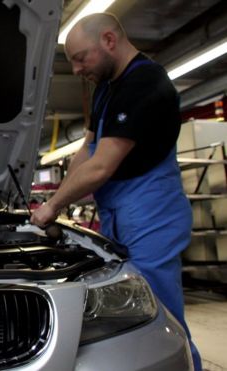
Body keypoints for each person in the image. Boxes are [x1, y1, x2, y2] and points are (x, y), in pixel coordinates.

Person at [30, 13, 202, 370]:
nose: (76, 70)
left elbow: (101, 166)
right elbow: (87, 150)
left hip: (151, 213)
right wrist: (55, 202)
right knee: (131, 316)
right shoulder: (107, 88)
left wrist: (54, 205)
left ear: (109, 40)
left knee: (160, 322)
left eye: (81, 58)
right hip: (121, 213)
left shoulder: (145, 83)